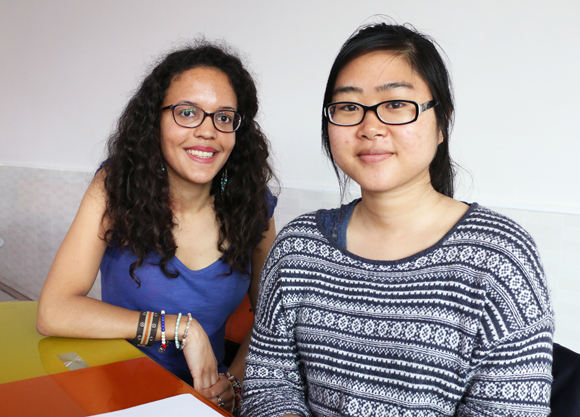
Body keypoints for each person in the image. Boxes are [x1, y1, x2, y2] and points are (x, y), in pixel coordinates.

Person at [241, 23, 553, 417]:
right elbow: (269, 384)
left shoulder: (499, 258)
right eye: (348, 107)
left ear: (442, 123)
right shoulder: (298, 248)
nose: (370, 127)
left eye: (396, 104)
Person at [37, 41, 277, 414]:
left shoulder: (253, 205)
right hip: (116, 394)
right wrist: (180, 327)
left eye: (224, 117)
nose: (208, 131)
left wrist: (233, 380)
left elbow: (270, 322)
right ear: (156, 120)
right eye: (187, 113)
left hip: (203, 402)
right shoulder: (116, 187)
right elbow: (54, 311)